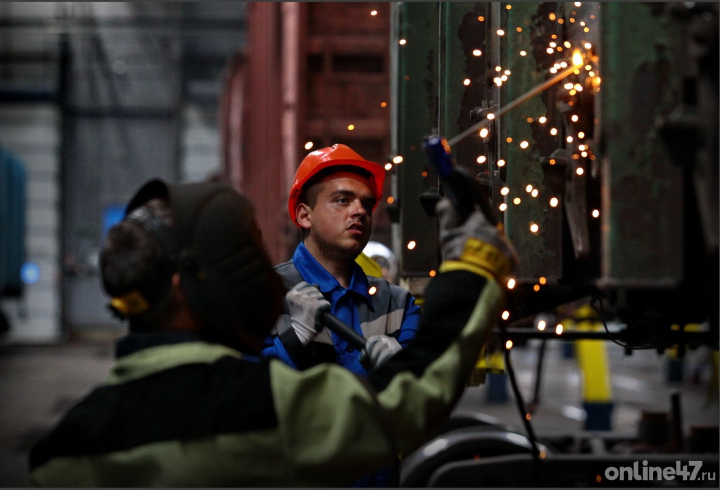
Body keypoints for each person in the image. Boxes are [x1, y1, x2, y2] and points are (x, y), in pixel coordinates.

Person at [28, 178, 517, 487]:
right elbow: (411, 398)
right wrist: (473, 266)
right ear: (185, 287)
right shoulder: (263, 407)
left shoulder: (64, 448)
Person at [262, 144, 420, 377]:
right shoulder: (264, 295)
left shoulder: (397, 304)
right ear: (305, 216)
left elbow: (423, 391)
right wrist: (295, 337)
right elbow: (241, 384)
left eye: (367, 204)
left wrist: (404, 369)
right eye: (343, 200)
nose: (360, 211)